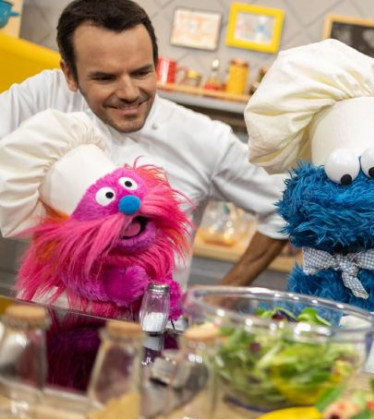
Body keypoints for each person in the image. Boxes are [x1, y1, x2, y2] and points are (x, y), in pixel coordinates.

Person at [0, 0, 287, 288]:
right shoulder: (45, 96)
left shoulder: (204, 137)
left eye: (141, 72)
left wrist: (223, 293)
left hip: (151, 315)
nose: (129, 92)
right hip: (50, 310)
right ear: (70, 75)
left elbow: (284, 202)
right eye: (105, 78)